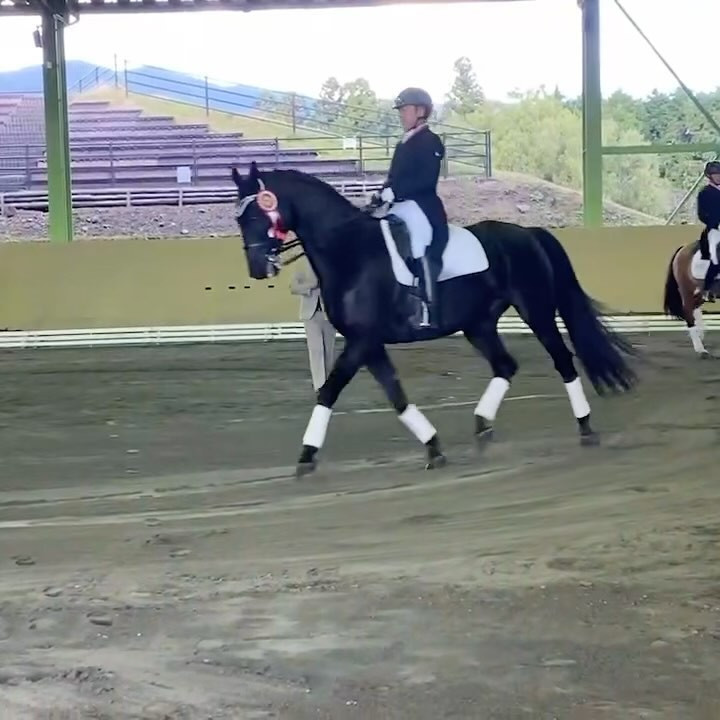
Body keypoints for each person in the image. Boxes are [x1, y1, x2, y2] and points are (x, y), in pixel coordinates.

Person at [371, 87, 449, 329]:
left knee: (418, 244)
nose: (402, 115)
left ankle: (428, 307)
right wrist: (381, 193)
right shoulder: (402, 144)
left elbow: (426, 180)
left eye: (405, 110)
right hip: (400, 205)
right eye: (401, 111)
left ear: (421, 111)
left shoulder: (431, 141)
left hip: (422, 207)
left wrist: (397, 191)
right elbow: (394, 177)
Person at [290, 261, 336, 391]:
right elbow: (293, 287)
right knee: (316, 350)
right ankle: (319, 386)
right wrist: (310, 286)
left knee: (329, 350)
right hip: (310, 313)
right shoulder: (300, 265)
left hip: (329, 313)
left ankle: (329, 384)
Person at [697, 160, 720, 300]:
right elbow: (701, 214)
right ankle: (706, 288)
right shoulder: (705, 193)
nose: (718, 176)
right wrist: (715, 223)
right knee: (716, 257)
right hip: (714, 229)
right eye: (715, 174)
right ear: (709, 176)